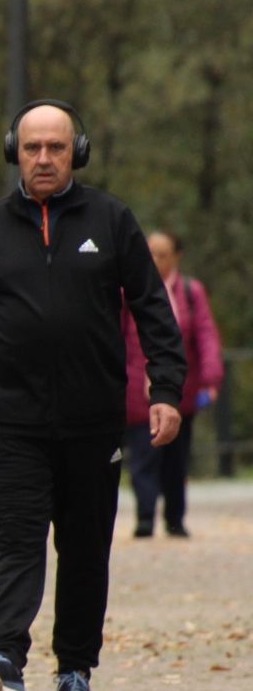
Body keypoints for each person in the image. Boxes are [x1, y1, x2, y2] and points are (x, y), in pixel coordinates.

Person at [0, 100, 185, 691]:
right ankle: (5, 658)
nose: (44, 158)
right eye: (33, 147)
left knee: (86, 545)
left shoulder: (112, 221)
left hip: (94, 423)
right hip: (11, 421)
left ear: (78, 152)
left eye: (57, 147)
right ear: (14, 149)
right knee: (16, 539)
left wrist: (167, 389)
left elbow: (154, 310)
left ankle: (74, 669)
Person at [124, 230, 223, 538]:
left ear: (176, 257)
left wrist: (210, 377)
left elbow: (206, 335)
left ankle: (175, 517)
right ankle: (144, 516)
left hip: (182, 388)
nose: (154, 260)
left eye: (162, 254)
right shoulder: (128, 291)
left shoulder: (191, 292)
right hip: (137, 388)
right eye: (150, 252)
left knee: (176, 458)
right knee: (142, 456)